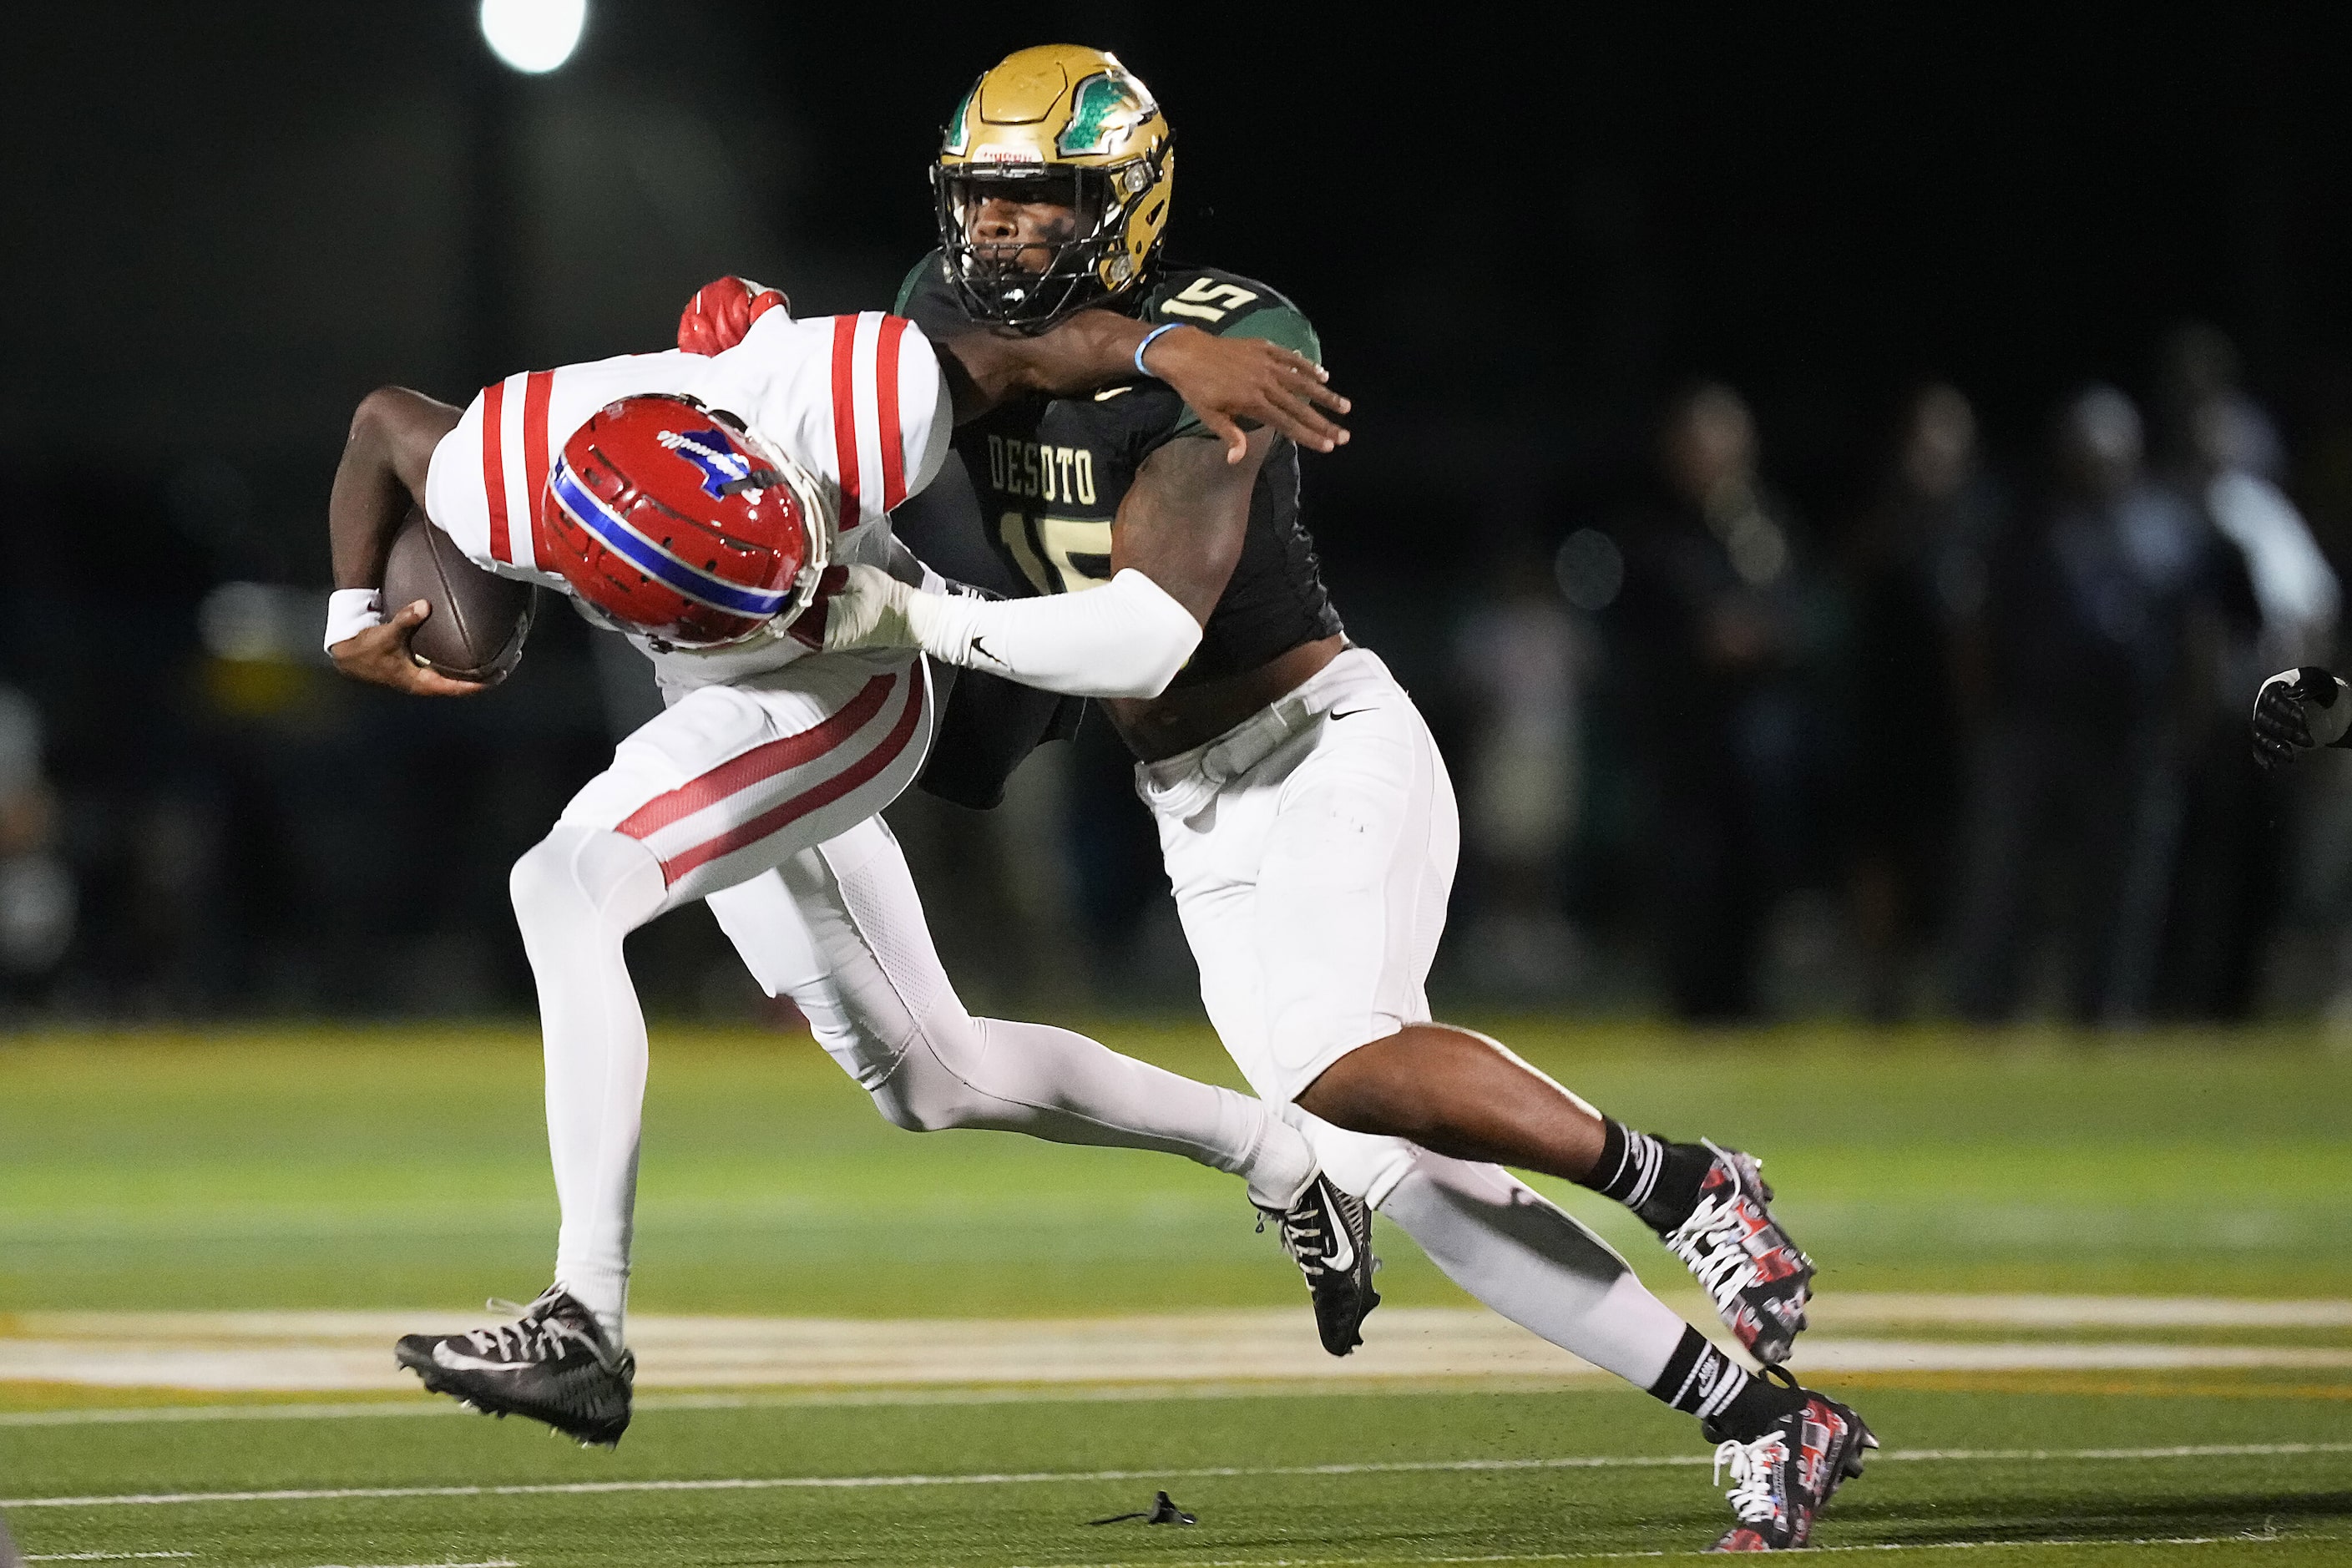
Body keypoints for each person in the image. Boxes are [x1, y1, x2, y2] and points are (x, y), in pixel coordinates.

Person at [782, 44, 1872, 1550]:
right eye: (986, 199)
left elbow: (1146, 630)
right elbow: (982, 370)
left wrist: (904, 613)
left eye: (1039, 201)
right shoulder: (962, 305)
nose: (1002, 232)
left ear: (1120, 203)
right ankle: (1769, 1421)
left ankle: (1689, 1182)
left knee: (1328, 1055)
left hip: (1318, 746)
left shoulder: (1246, 332)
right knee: (1407, 1180)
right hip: (1191, 808)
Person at [327, 271, 1378, 1446]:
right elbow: (379, 423)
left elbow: (1026, 353)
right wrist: (345, 614)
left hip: (847, 667)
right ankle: (1277, 1155)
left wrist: (1164, 350)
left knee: (561, 884)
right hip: (707, 692)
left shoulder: (846, 395)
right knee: (935, 1077)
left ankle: (585, 1319)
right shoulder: (498, 479)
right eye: (725, 591)